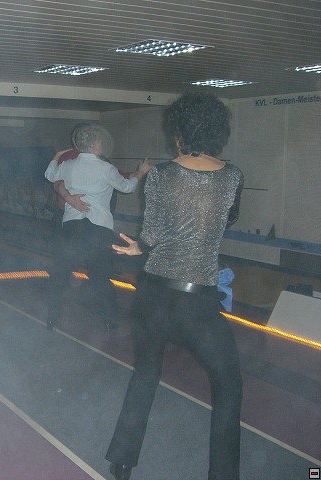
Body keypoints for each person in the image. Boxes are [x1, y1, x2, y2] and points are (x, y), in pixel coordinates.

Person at [105, 92, 244, 480]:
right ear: (217, 131)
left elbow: (152, 233)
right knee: (228, 386)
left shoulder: (161, 175)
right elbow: (226, 219)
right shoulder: (232, 176)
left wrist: (140, 247)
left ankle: (122, 461)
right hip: (198, 301)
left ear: (179, 132)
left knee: (146, 374)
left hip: (154, 295)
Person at [44, 124, 151, 330]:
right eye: (100, 143)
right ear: (94, 146)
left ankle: (52, 318)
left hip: (72, 227)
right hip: (98, 229)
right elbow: (127, 187)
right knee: (101, 276)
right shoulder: (105, 168)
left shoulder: (68, 165)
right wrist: (140, 172)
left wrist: (56, 156)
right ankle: (109, 319)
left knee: (61, 272)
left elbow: (50, 175)